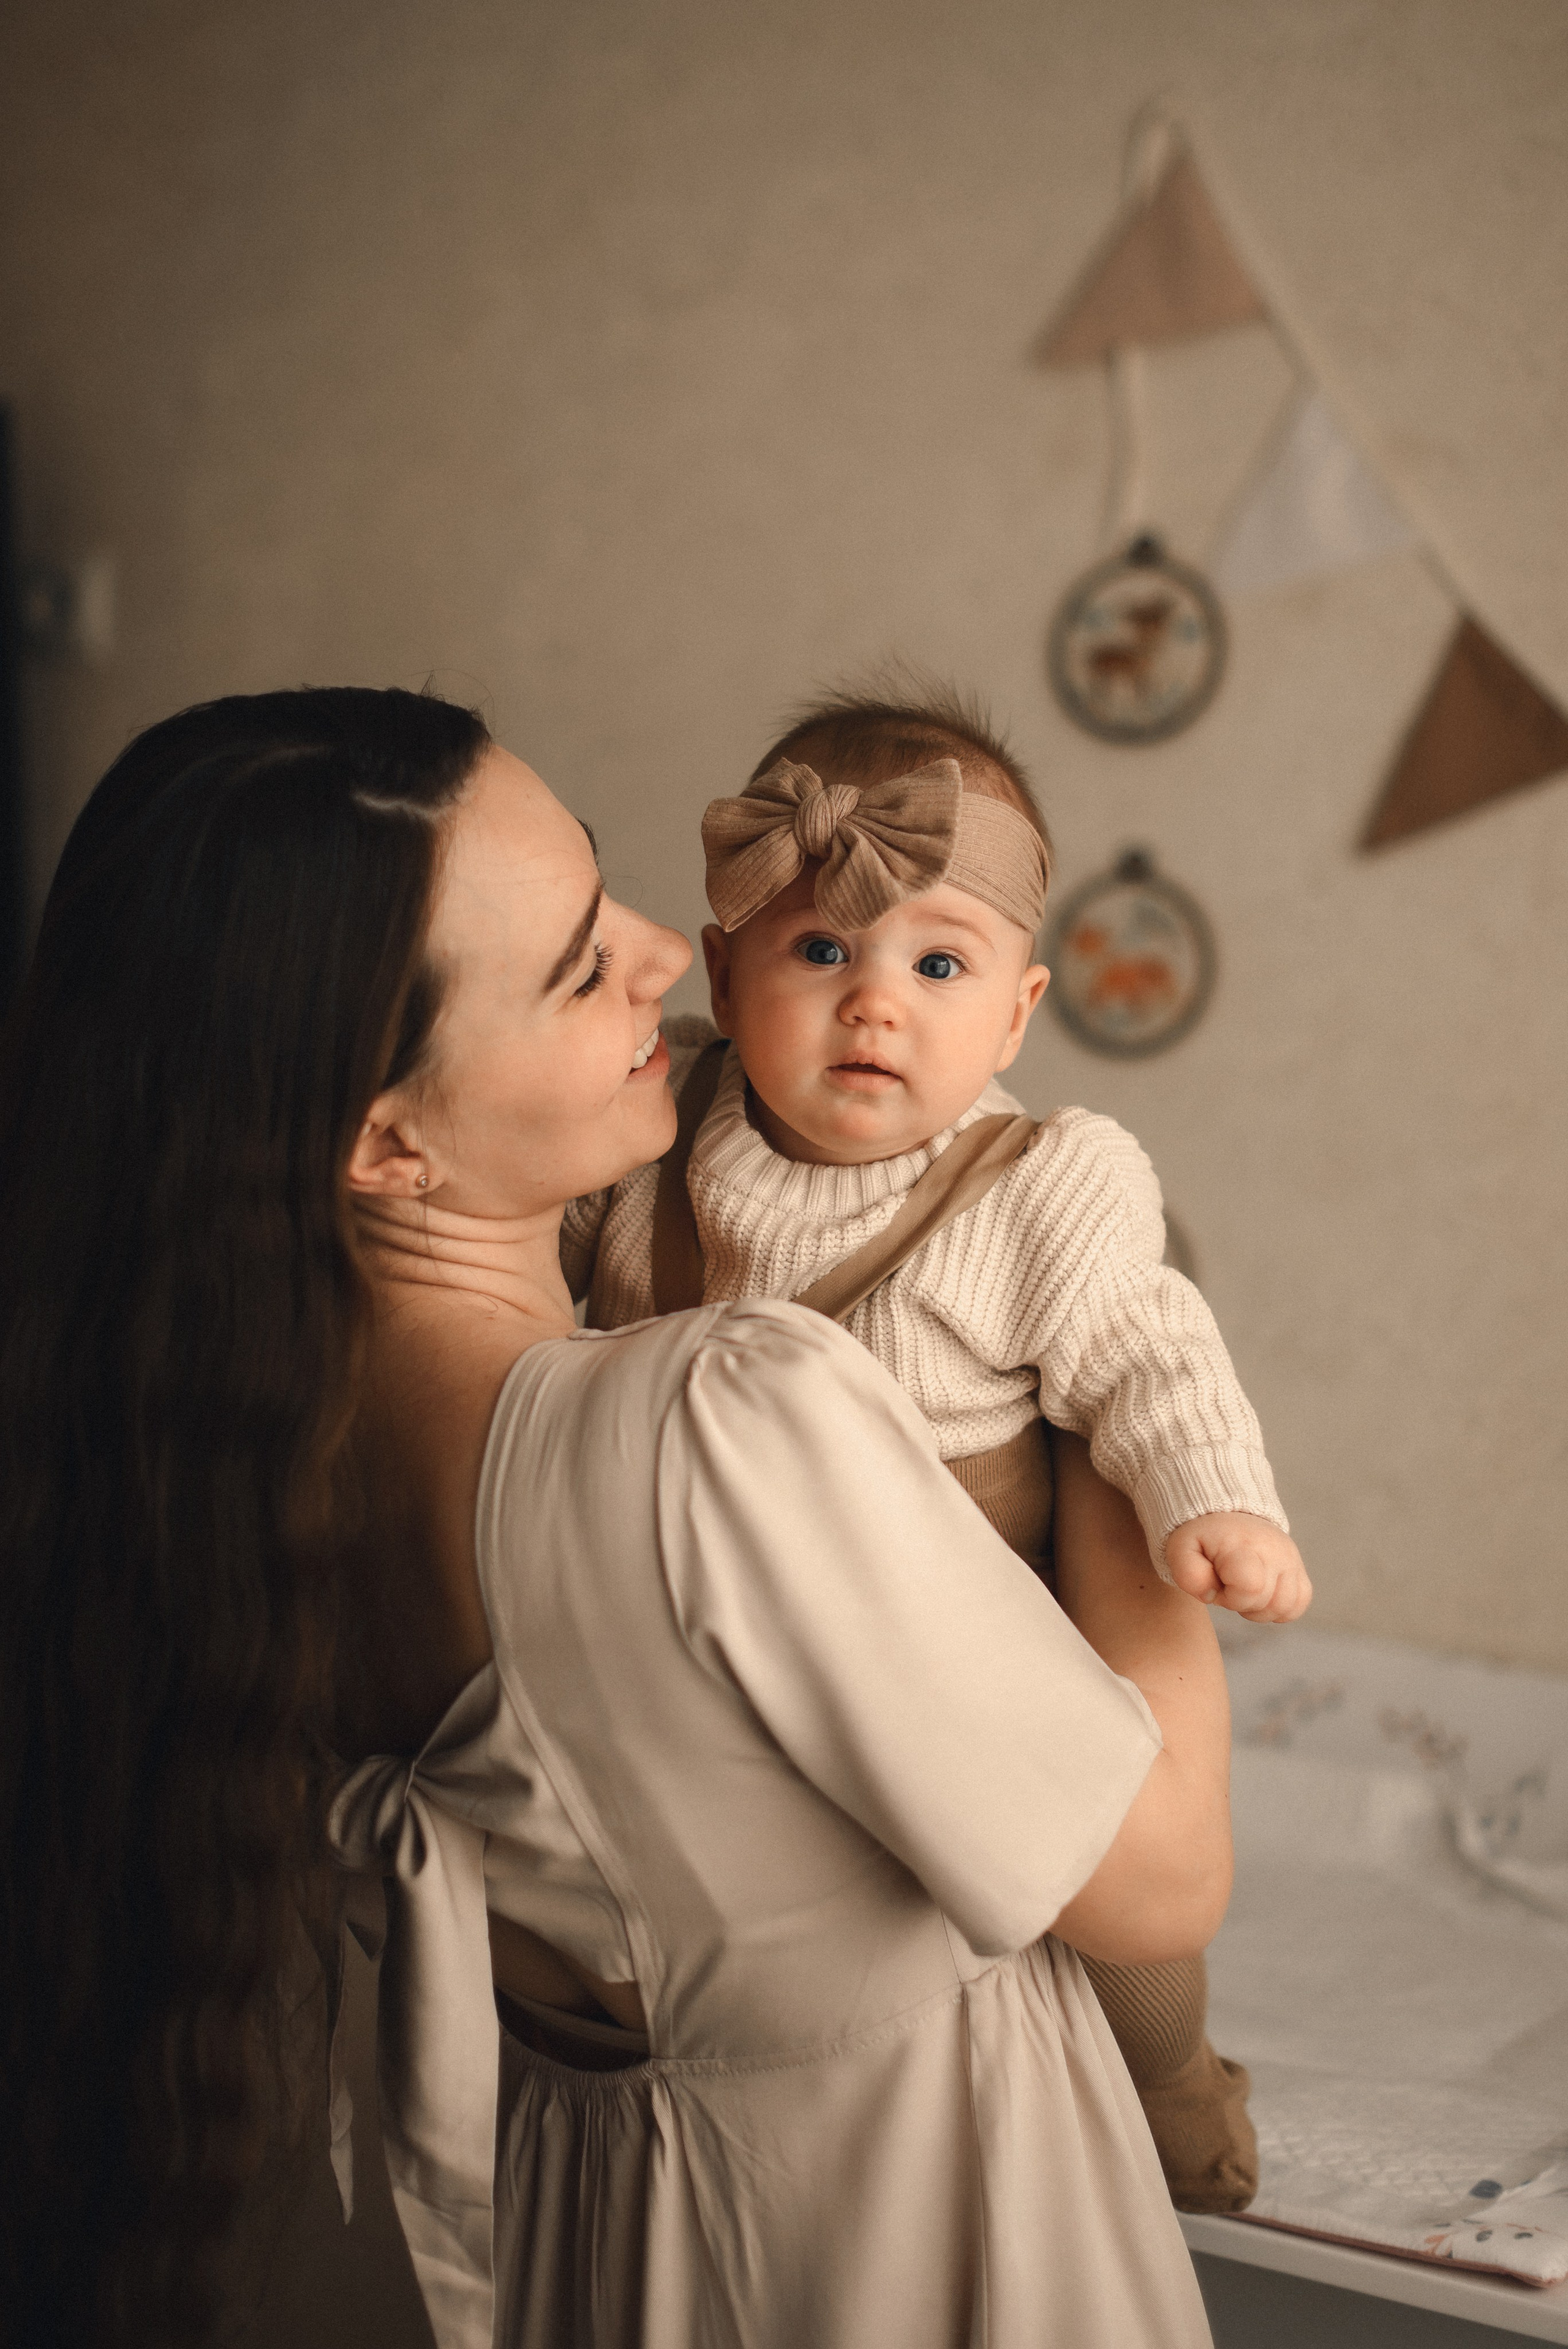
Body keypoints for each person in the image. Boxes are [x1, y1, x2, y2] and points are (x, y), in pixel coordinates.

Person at [0, 686, 1228, 2349]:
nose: (671, 946)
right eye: (583, 961)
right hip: (917, 2243)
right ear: (384, 1138)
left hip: (598, 2253)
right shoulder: (716, 1424)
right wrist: (1114, 1430)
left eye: (609, 893)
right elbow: (1155, 1881)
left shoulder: (224, 1465)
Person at [564, 682, 1308, 2214]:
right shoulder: (658, 1127)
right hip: (717, 1629)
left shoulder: (1038, 1184)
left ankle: (1172, 2090)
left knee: (1117, 1939)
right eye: (821, 949)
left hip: (969, 1631)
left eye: (938, 962)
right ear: (722, 964)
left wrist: (1211, 1502)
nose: (874, 1002)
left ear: (1021, 1010)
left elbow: (1147, 1351)